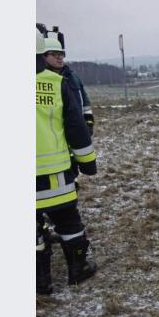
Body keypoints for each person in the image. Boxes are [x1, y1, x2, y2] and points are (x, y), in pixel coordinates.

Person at [36, 32, 98, 294]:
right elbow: (75, 127)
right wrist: (87, 162)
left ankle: (40, 282)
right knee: (68, 220)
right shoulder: (54, 84)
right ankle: (77, 268)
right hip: (55, 172)